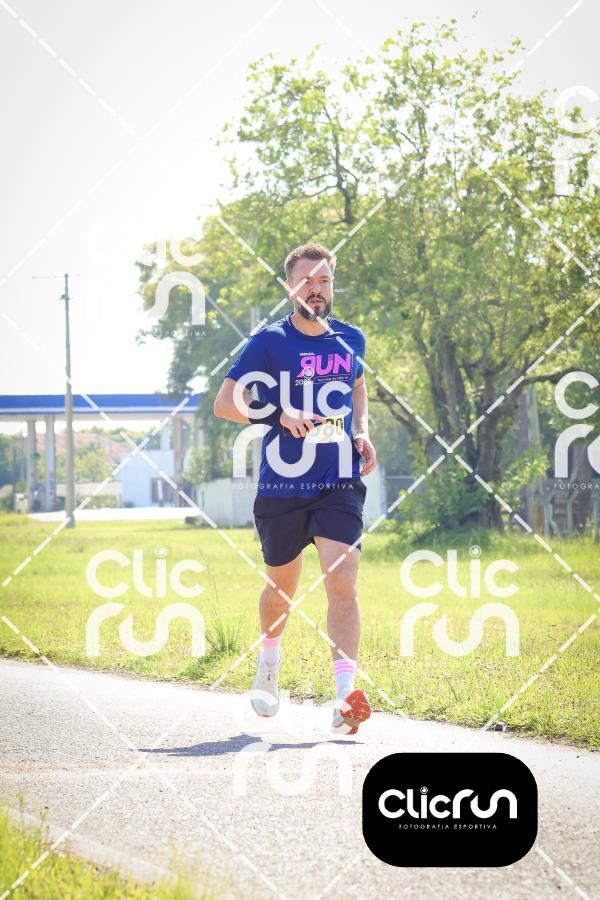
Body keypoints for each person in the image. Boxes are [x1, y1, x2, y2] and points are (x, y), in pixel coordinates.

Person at [213, 242, 376, 734]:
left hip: (339, 480)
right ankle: (268, 662)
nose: (317, 290)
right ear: (290, 287)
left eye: (324, 281)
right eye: (307, 282)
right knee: (280, 589)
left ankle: (345, 698)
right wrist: (279, 415)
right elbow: (226, 402)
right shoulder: (268, 341)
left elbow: (358, 386)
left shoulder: (351, 338)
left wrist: (362, 430)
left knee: (342, 579)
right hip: (283, 485)